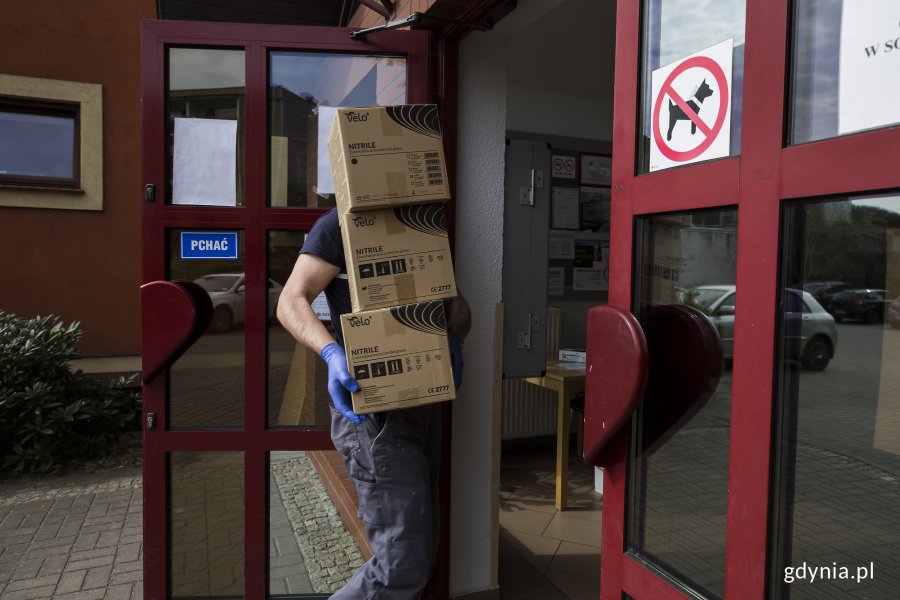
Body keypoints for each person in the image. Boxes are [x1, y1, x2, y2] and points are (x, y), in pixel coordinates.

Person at [276, 207, 469, 599]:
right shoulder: (337, 226)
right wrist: (331, 352)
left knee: (419, 551)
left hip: (422, 402)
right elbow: (291, 300)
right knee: (400, 567)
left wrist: (453, 337)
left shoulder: (423, 222)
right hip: (371, 411)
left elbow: (456, 305)